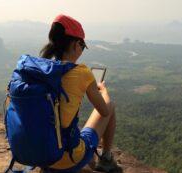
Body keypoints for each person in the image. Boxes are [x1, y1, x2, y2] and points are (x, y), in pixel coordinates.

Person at [39, 14, 120, 173]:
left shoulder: (40, 69)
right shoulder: (81, 72)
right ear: (76, 44)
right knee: (110, 105)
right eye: (82, 46)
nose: (81, 50)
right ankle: (106, 159)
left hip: (41, 154)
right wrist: (103, 91)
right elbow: (104, 111)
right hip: (66, 159)